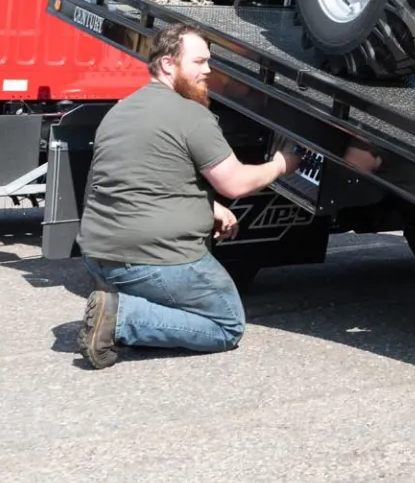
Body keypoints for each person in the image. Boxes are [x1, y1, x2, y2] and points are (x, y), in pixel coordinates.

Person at [76, 24, 300, 369]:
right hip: (152, 258)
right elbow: (236, 183)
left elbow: (138, 178)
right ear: (168, 64)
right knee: (225, 325)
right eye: (199, 62)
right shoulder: (191, 114)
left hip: (99, 255)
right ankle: (121, 317)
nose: (208, 70)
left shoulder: (120, 110)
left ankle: (125, 307)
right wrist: (281, 164)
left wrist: (209, 206)